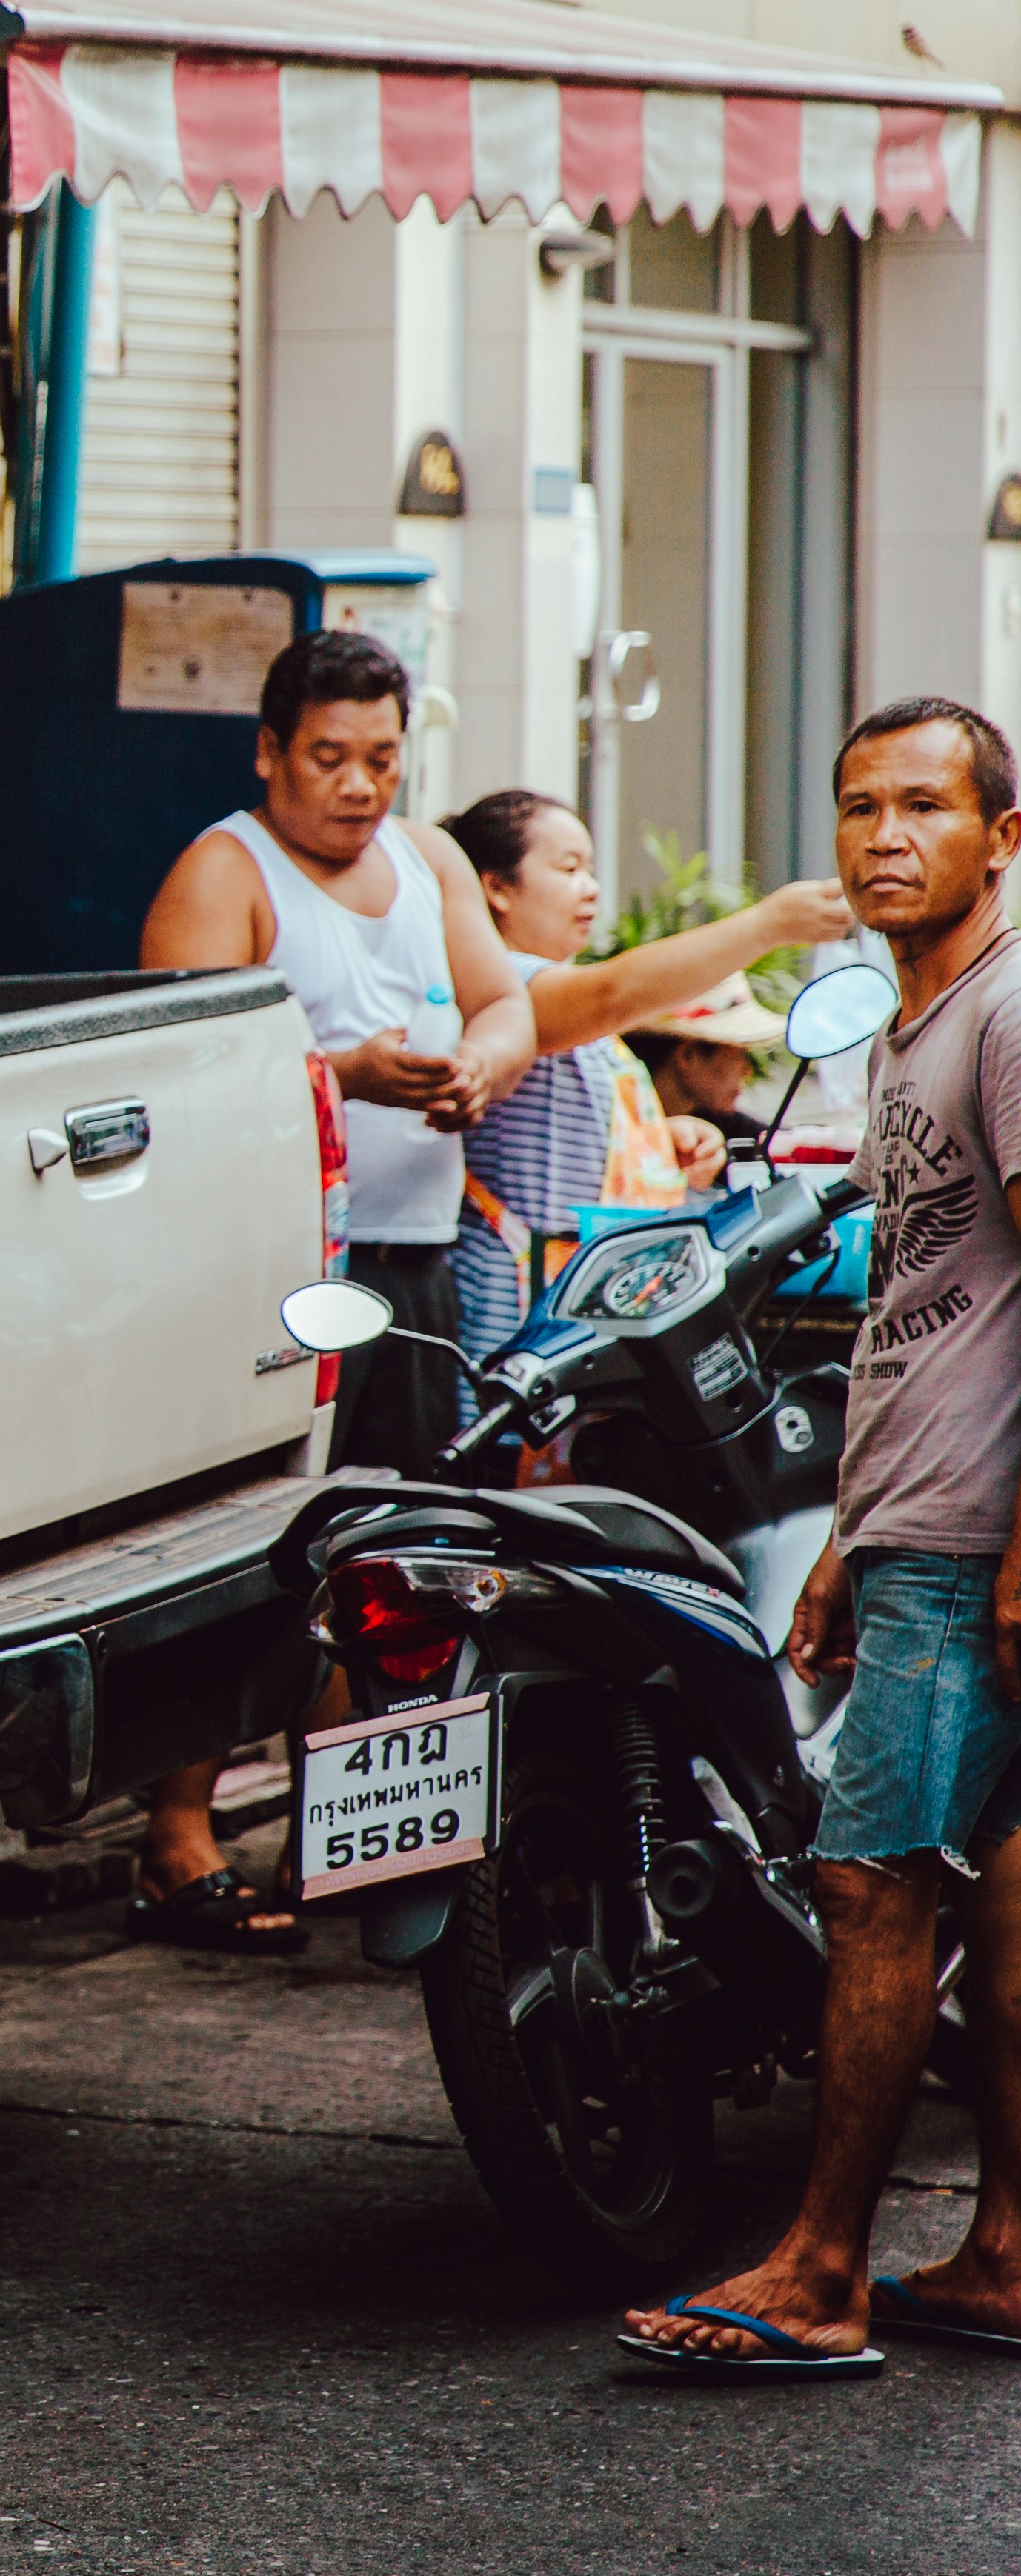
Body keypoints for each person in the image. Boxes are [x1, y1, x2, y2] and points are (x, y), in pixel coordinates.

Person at [619, 697, 1021, 2379]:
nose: (879, 836)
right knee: (992, 1912)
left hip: (974, 1538)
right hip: (920, 1526)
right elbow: (926, 1313)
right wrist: (850, 1534)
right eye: (855, 803)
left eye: (920, 805)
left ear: (997, 833)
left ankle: (816, 2269)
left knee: (867, 1890)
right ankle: (1001, 2252)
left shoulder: (1002, 1015)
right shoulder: (902, 1022)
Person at [129, 628, 539, 1950]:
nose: (357, 786)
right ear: (269, 754)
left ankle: (347, 1836)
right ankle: (178, 1840)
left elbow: (506, 1001)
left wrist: (480, 1058)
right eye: (327, 759)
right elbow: (171, 1080)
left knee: (390, 1565)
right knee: (253, 1553)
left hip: (409, 1266)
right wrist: (340, 1078)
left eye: (380, 758)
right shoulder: (223, 873)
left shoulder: (424, 861)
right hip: (273, 1275)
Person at [436, 788, 854, 1376]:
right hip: (513, 1311)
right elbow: (614, 994)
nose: (591, 888)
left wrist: (663, 1142)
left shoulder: (561, 993)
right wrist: (767, 925)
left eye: (590, 868)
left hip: (568, 1309)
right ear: (496, 888)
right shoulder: (500, 985)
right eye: (568, 868)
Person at [633, 984, 793, 1161]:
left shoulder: (718, 1124)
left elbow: (777, 1140)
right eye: (740, 1054)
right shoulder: (615, 1130)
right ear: (687, 1055)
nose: (748, 1070)